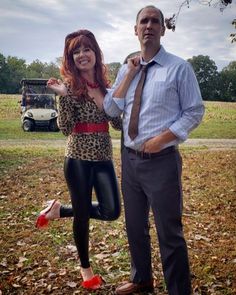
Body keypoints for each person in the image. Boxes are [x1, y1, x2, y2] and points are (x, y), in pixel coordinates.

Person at [103, 5, 205, 295]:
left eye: (154, 21)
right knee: (135, 226)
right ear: (135, 30)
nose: (148, 25)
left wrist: (163, 138)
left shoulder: (179, 68)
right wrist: (128, 77)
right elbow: (111, 108)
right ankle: (142, 279)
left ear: (163, 29)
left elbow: (194, 112)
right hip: (130, 159)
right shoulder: (127, 68)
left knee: (169, 233)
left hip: (162, 162)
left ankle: (178, 290)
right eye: (143, 21)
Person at [35, 29, 121, 290]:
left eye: (86, 49)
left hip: (103, 156)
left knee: (112, 211)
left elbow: (117, 122)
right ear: (71, 58)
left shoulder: (108, 86)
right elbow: (64, 127)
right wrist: (65, 96)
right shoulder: (69, 86)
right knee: (82, 216)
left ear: (95, 52)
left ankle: (60, 210)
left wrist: (103, 97)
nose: (82, 55)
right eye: (76, 51)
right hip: (77, 157)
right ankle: (86, 270)